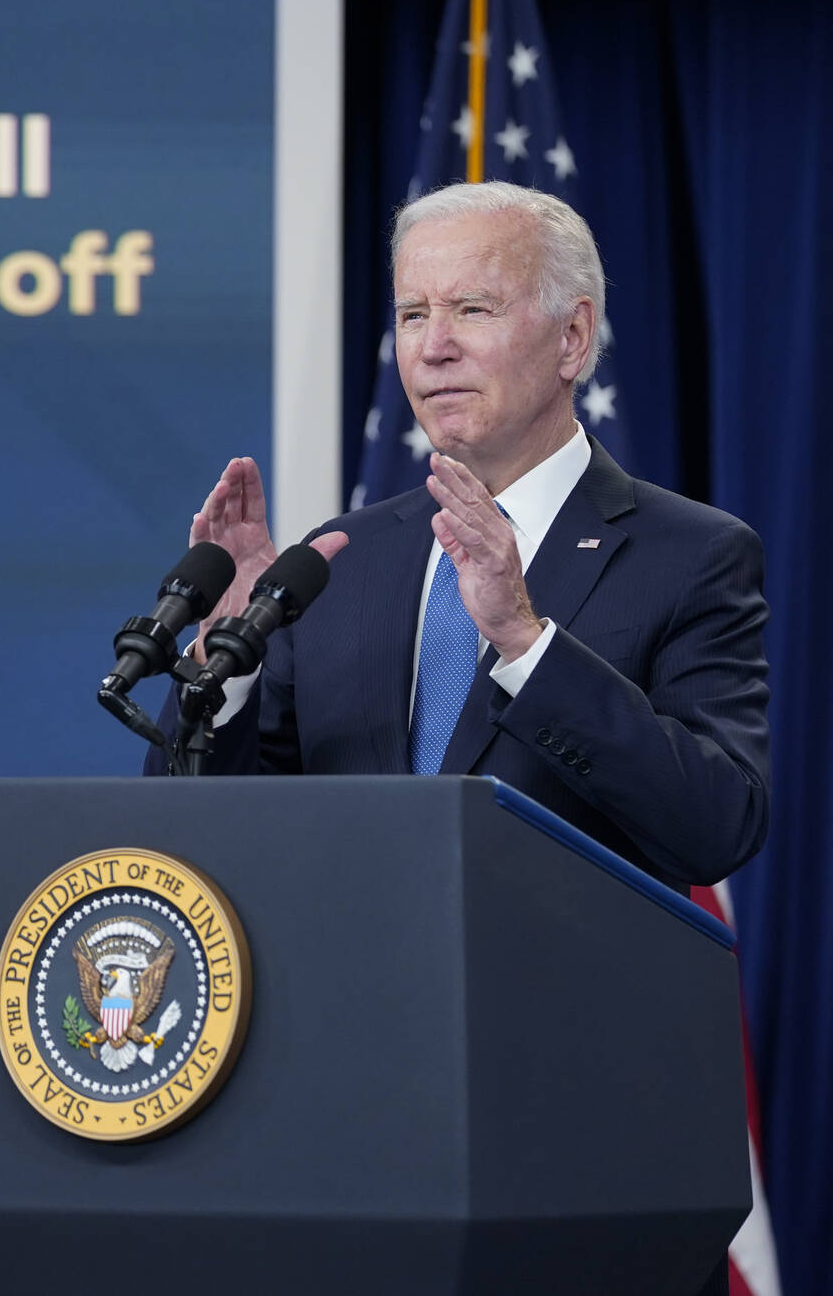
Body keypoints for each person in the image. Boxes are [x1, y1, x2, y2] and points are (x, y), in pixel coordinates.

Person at [155, 181, 769, 890]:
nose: (433, 347)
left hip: (552, 993)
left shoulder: (691, 555)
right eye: (413, 314)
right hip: (349, 988)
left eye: (472, 309)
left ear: (571, 338)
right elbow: (203, 834)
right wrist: (226, 663)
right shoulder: (337, 561)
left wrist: (525, 643)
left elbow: (719, 825)